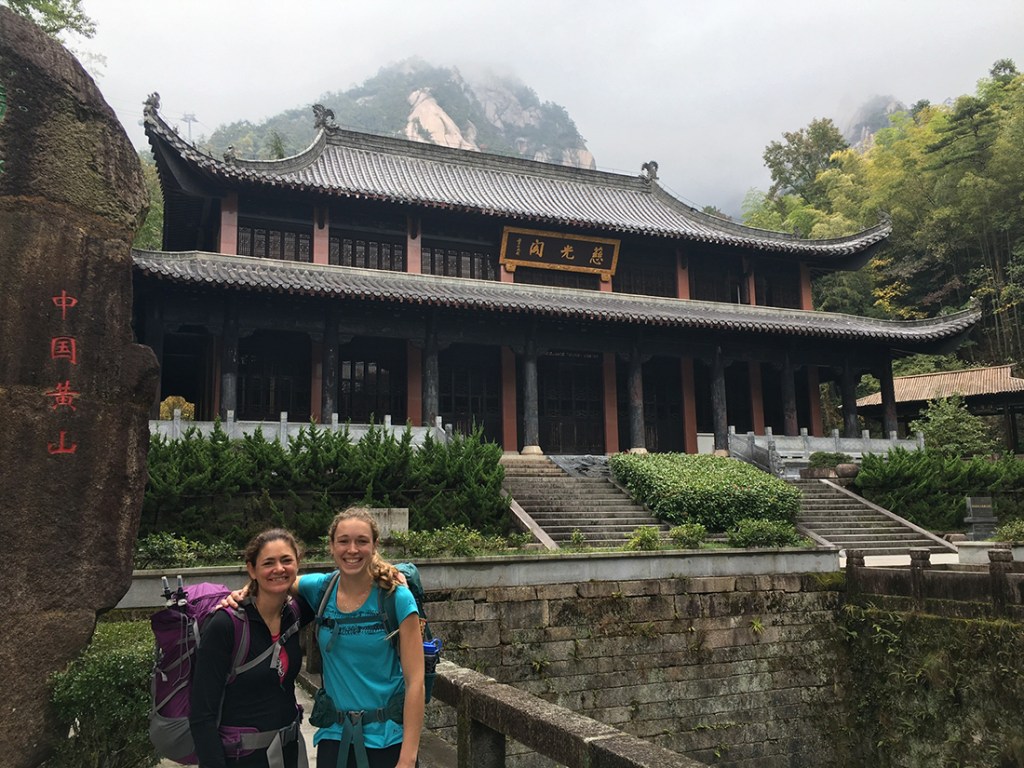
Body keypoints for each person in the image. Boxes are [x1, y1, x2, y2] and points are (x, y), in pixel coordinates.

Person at [297, 507, 424, 768]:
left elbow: (416, 682)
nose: (352, 550)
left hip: (387, 740)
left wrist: (408, 758)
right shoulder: (321, 589)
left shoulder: (396, 598)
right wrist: (243, 591)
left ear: (375, 545)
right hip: (334, 737)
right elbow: (278, 580)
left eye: (361, 541)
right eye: (343, 541)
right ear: (331, 546)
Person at [190, 528, 314, 768]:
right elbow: (201, 716)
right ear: (251, 569)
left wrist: (398, 574)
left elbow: (343, 587)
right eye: (268, 563)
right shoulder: (226, 625)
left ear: (297, 564)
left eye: (286, 560)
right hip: (242, 758)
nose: (279, 569)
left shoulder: (296, 612)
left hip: (290, 752)